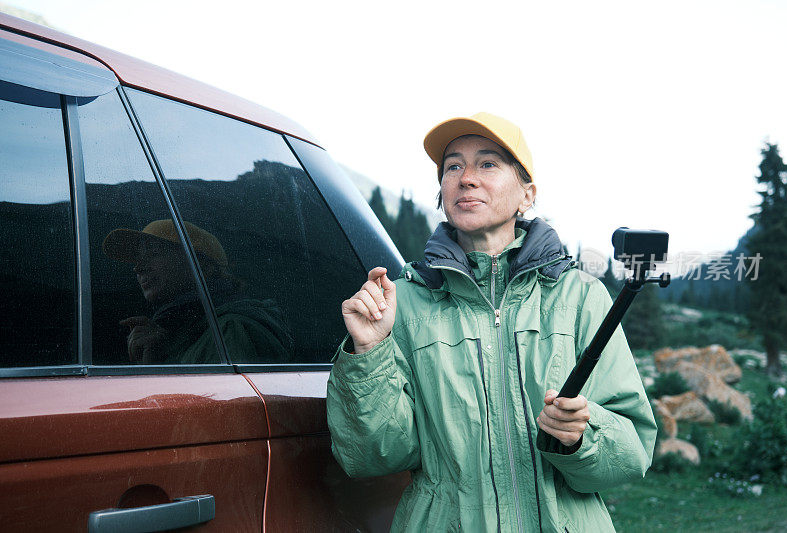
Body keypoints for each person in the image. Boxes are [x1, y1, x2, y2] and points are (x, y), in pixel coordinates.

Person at [326, 112, 657, 532]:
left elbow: (631, 454)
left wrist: (582, 434)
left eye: (487, 163)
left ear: (527, 194)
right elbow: (374, 456)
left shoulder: (581, 297)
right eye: (452, 167)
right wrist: (368, 352)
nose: (466, 178)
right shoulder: (401, 303)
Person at [103, 219, 293, 364]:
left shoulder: (231, 330)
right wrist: (159, 357)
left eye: (153, 253)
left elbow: (224, 409)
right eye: (138, 258)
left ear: (201, 265)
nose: (138, 268)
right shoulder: (187, 332)